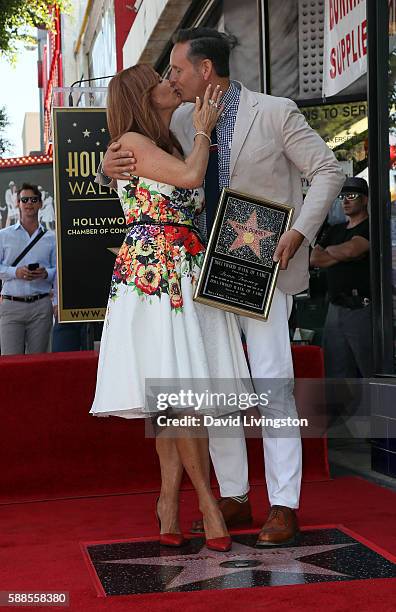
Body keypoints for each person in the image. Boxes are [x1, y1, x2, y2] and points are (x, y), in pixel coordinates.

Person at [98, 28, 345, 546]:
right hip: (192, 272)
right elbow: (141, 167)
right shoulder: (181, 119)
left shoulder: (275, 111)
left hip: (258, 260)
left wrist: (299, 232)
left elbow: (327, 169)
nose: (172, 79)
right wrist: (106, 167)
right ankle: (234, 495)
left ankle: (283, 503)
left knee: (272, 378)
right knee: (218, 384)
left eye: (177, 70)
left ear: (205, 69)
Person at [90, 64, 252, 552]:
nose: (170, 84)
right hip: (156, 276)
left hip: (181, 269)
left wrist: (196, 132)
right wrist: (204, 130)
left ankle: (166, 503)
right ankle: (205, 503)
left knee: (176, 395)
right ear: (143, 96)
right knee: (179, 397)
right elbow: (190, 176)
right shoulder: (133, 141)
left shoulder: (162, 140)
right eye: (161, 80)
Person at [310, 177, 372, 378]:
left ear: (365, 200)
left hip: (362, 306)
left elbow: (353, 249)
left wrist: (333, 252)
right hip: (335, 307)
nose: (345, 201)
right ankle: (346, 411)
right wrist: (341, 253)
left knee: (369, 367)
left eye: (351, 196)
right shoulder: (335, 230)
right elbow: (314, 258)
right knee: (336, 370)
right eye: (342, 196)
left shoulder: (370, 226)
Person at [0, 183, 56, 355]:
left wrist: (46, 273)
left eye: (34, 199)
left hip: (41, 306)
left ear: (40, 204)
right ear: (18, 203)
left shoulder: (51, 237)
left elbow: (57, 270)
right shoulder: (4, 235)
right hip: (11, 306)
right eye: (25, 200)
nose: (29, 203)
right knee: (10, 364)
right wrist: (15, 272)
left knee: (39, 364)